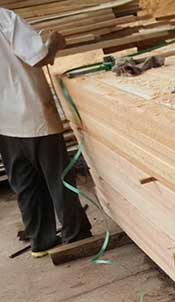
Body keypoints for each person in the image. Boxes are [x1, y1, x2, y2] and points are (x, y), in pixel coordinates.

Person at [0, 8, 91, 257]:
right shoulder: (4, 18)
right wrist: (53, 42)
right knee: (59, 177)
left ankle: (41, 241)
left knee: (25, 182)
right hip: (31, 112)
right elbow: (38, 57)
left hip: (4, 123)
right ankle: (76, 235)